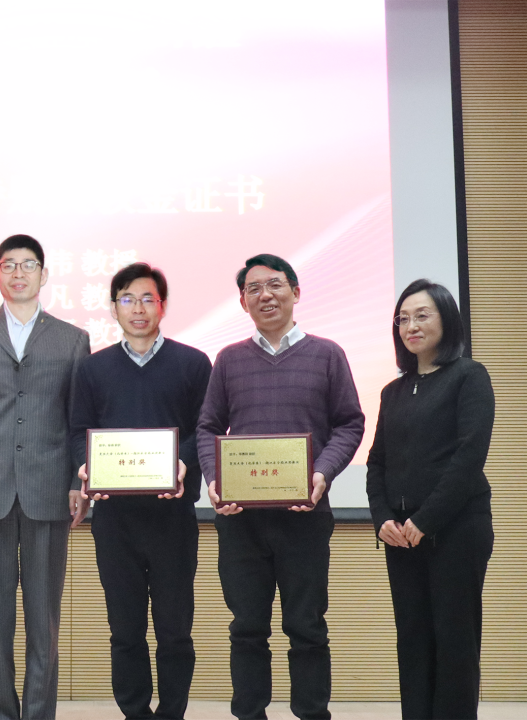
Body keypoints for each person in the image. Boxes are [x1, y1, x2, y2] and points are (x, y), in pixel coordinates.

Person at [196, 253, 365, 720]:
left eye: (275, 285)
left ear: (295, 291)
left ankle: (312, 713)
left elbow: (349, 423)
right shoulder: (228, 360)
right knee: (247, 628)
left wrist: (322, 472)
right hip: (241, 522)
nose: (265, 295)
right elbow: (208, 426)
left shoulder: (327, 354)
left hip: (304, 518)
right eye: (254, 289)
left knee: (306, 627)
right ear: (243, 302)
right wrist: (214, 479)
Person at [0, 234, 91, 720]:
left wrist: (77, 483)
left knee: (43, 621)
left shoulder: (72, 339)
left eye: (28, 265)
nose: (18, 273)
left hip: (49, 491)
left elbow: (78, 420)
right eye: (9, 265)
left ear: (44, 275)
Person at [70, 263, 212, 720]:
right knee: (125, 630)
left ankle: (172, 712)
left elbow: (206, 429)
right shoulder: (93, 369)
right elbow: (78, 430)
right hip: (116, 520)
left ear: (163, 306)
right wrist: (86, 466)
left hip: (173, 517)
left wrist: (182, 463)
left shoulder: (193, 364)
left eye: (148, 298)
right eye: (127, 299)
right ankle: (134, 712)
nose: (138, 308)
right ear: (113, 308)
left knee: (175, 630)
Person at [365, 279, 494, 720]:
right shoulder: (392, 392)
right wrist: (382, 518)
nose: (411, 326)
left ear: (447, 319)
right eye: (403, 319)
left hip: (456, 529)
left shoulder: (469, 376)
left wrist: (426, 520)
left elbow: (469, 457)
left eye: (422, 315)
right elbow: (376, 463)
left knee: (455, 640)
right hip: (401, 536)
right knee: (413, 639)